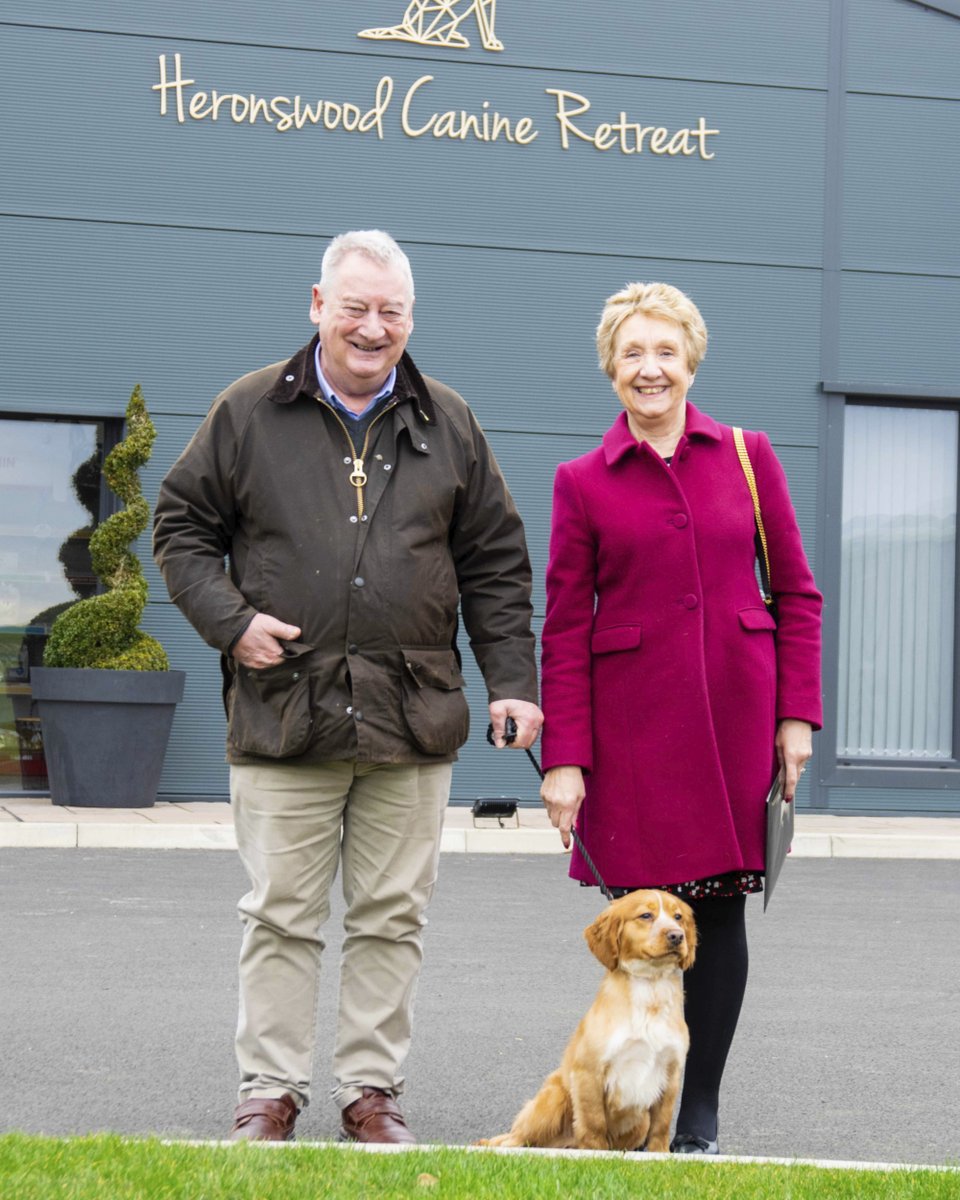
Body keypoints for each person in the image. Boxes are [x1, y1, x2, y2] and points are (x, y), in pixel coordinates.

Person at [153, 230, 542, 1144]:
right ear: (318, 304)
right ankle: (270, 1091)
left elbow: (496, 565)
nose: (374, 327)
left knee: (391, 917)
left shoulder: (450, 423)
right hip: (284, 710)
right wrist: (232, 620)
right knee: (281, 914)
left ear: (411, 318)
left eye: (392, 311)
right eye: (356, 307)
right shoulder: (246, 412)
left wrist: (512, 684)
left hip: (413, 718)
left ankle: (371, 1093)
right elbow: (180, 528)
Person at [538, 281, 822, 1155]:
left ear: (692, 359)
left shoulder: (748, 454)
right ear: (610, 369)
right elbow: (563, 625)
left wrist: (796, 717)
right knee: (642, 928)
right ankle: (629, 1104)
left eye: (665, 352)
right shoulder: (582, 482)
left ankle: (695, 1112)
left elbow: (796, 594)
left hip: (738, 720)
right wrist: (566, 758)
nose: (649, 369)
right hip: (629, 734)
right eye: (632, 354)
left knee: (719, 920)